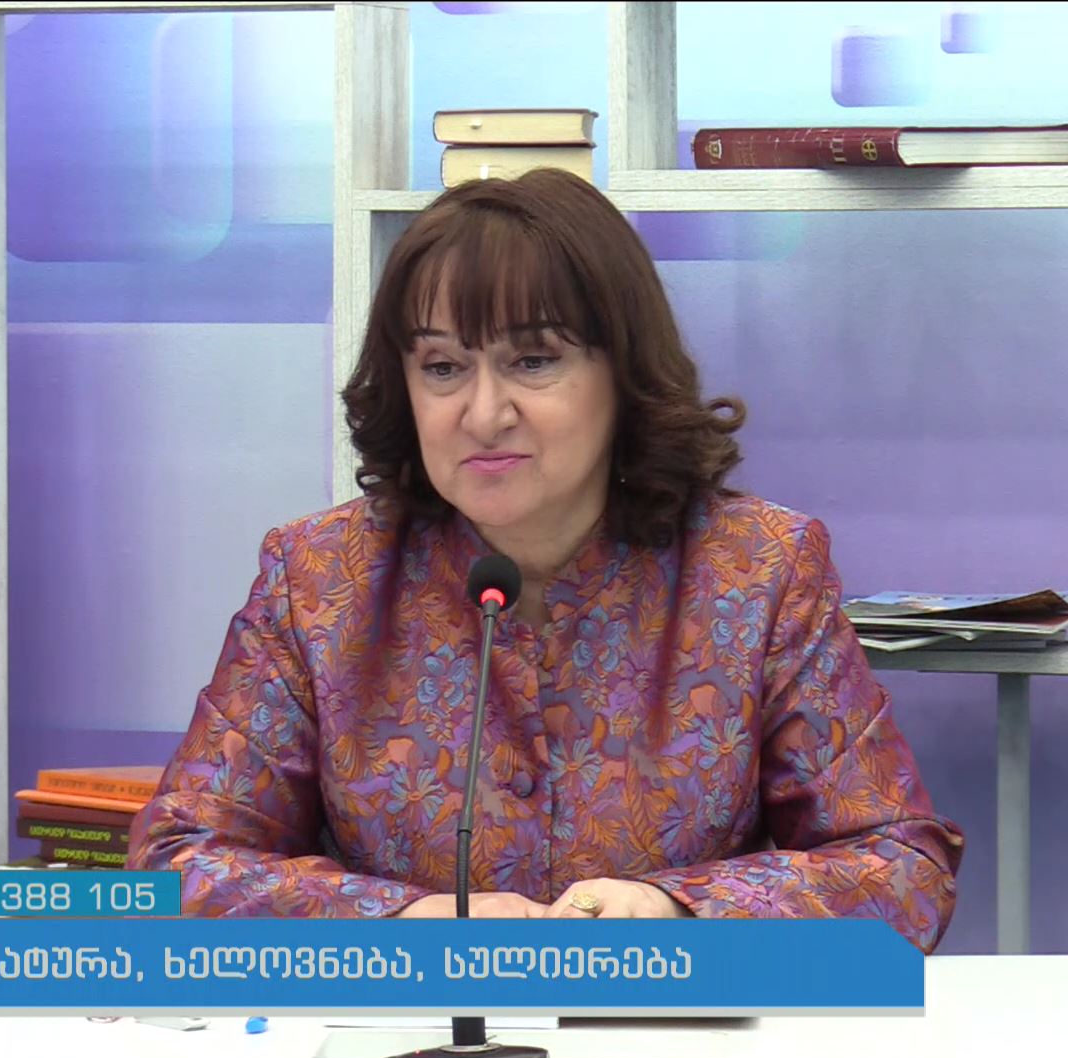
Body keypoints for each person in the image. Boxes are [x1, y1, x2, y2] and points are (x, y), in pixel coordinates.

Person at [129, 170, 963, 952]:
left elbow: (902, 872)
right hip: (412, 1029)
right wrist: (402, 919)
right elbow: (175, 864)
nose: (484, 413)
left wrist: (679, 909)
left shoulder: (756, 570)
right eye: (443, 368)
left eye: (533, 361)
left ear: (622, 373)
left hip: (666, 1027)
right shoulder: (321, 579)